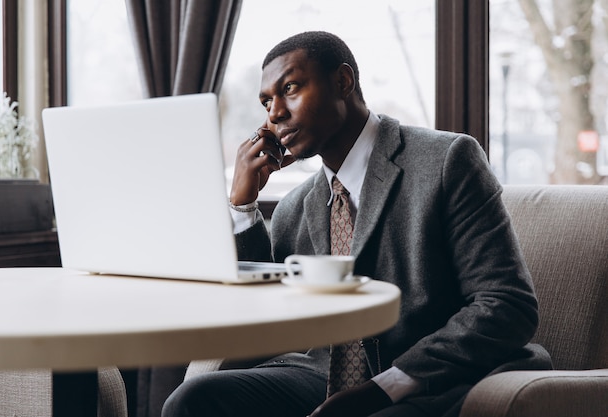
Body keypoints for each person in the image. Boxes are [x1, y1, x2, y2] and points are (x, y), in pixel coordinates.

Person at [162, 31, 552, 417]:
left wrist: (383, 388)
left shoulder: (448, 160)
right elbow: (259, 316)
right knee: (192, 400)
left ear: (342, 81)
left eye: (291, 89)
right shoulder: (295, 208)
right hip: (323, 374)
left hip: (433, 375)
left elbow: (507, 305)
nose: (275, 113)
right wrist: (242, 205)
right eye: (266, 101)